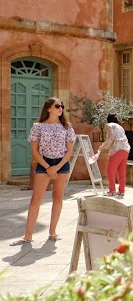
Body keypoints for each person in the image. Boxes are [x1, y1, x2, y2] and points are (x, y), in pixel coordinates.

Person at [13, 97, 75, 246]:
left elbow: (69, 152)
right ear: (49, 109)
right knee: (36, 199)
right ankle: (27, 236)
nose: (61, 108)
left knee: (58, 198)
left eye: (62, 106)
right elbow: (34, 151)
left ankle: (53, 232)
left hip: (61, 164)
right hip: (43, 163)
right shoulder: (38, 127)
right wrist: (48, 167)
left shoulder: (67, 128)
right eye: (57, 106)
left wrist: (56, 167)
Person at [94, 114, 131, 197]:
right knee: (121, 171)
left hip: (116, 149)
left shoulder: (109, 125)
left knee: (110, 170)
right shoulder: (120, 127)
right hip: (126, 148)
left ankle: (112, 190)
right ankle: (121, 190)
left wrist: (104, 146)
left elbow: (111, 137)